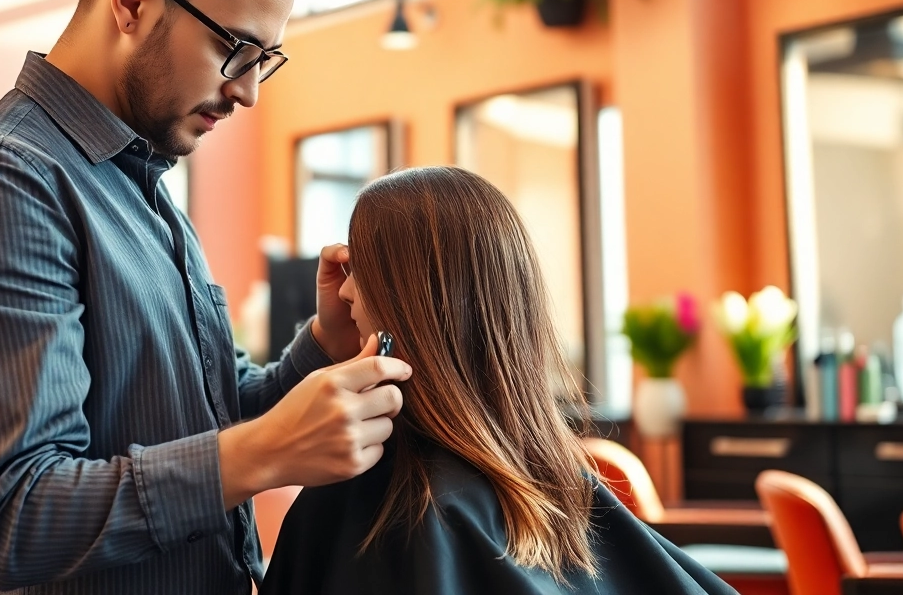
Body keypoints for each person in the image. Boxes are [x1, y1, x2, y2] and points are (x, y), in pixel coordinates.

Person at [0, 0, 411, 595]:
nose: (249, 93)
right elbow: (15, 518)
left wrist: (323, 345)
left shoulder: (142, 181)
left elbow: (198, 412)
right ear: (132, 0)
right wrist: (263, 454)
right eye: (237, 50)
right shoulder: (0, 182)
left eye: (267, 61)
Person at [260, 167, 736, 595]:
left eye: (359, 270)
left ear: (410, 301)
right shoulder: (550, 478)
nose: (342, 291)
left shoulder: (393, 506)